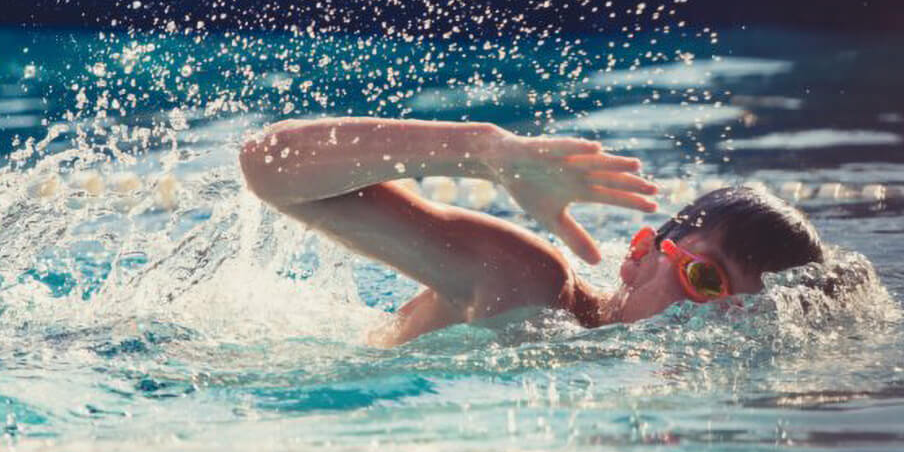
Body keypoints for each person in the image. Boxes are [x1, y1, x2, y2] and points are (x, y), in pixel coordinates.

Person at [240, 117, 824, 346]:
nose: (703, 322)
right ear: (640, 253)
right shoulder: (529, 284)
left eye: (739, 314)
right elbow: (267, 166)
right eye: (704, 278)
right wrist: (483, 152)